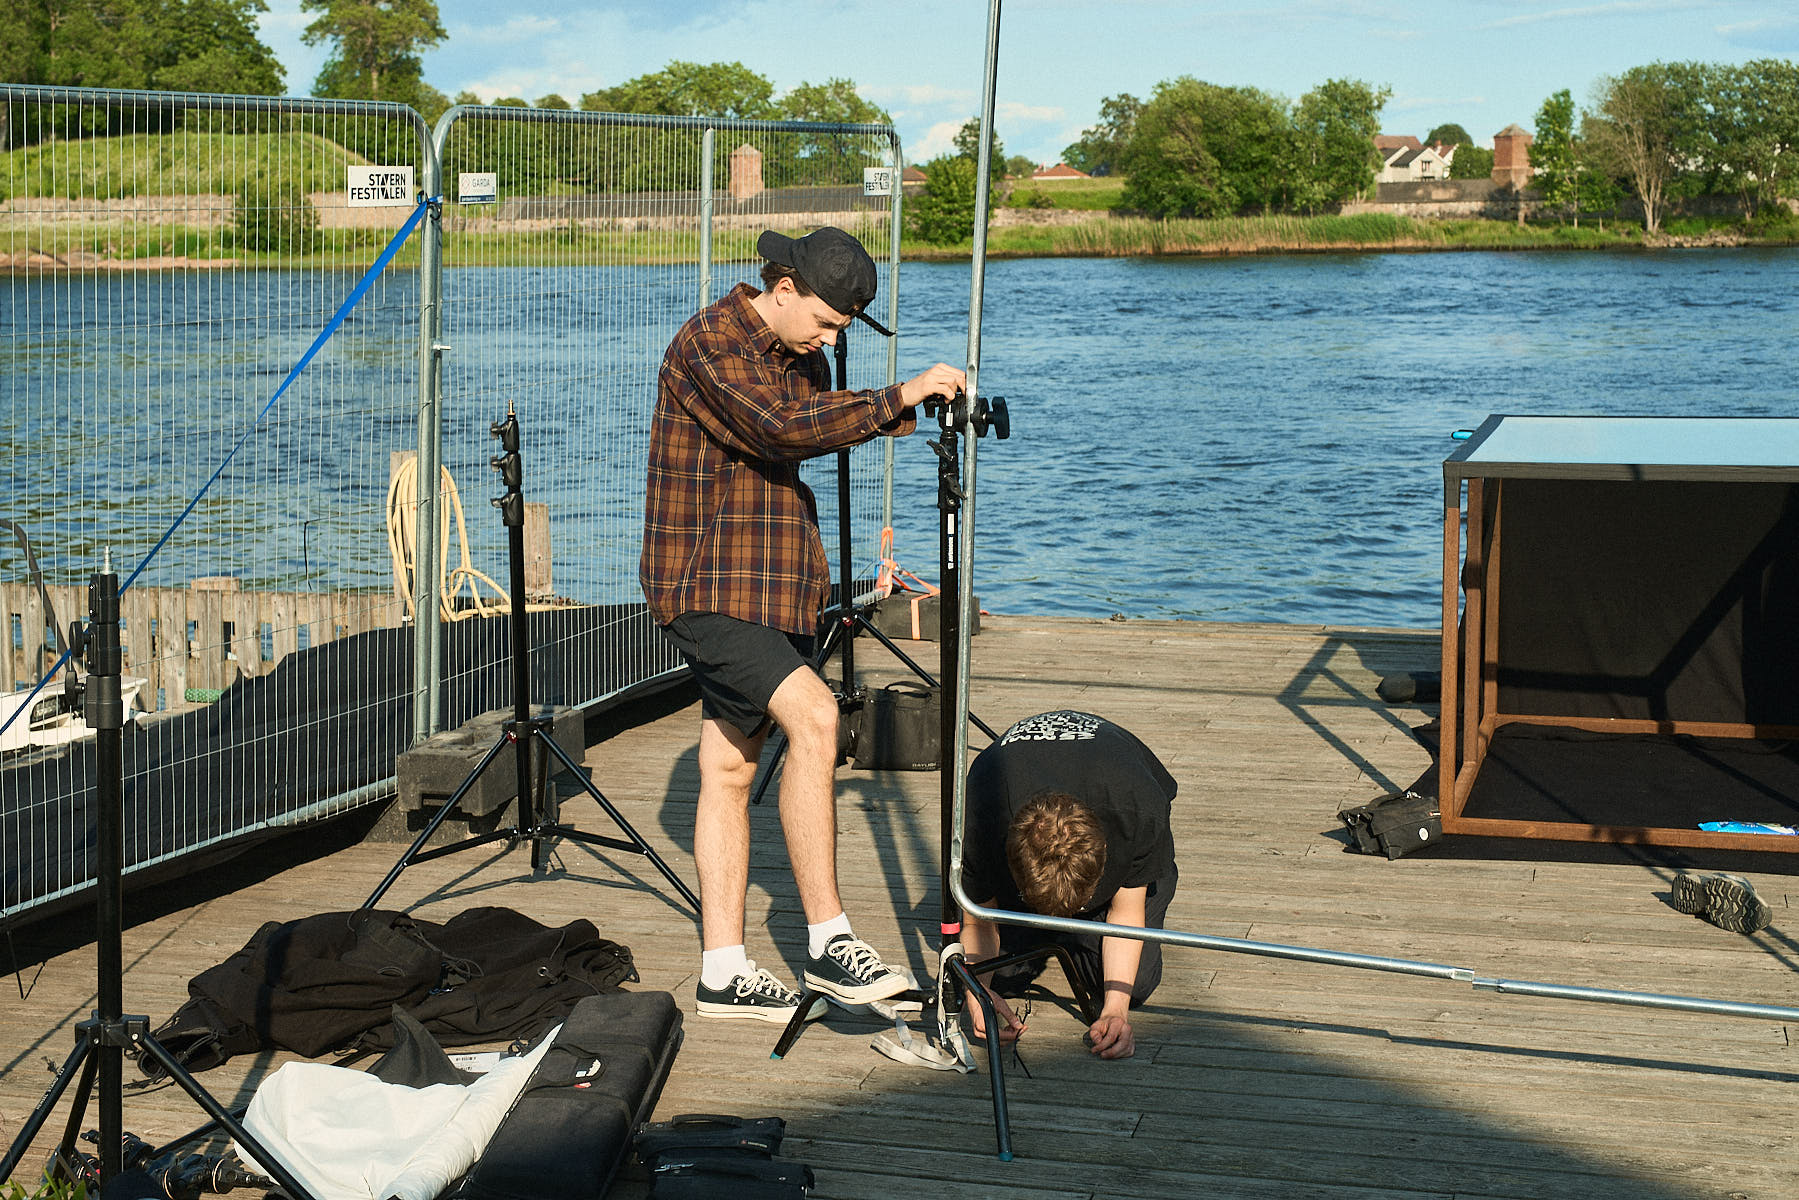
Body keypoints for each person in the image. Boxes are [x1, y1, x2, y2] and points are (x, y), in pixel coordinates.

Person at [640, 225, 967, 1023]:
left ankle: (723, 972)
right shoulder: (710, 342)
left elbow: (812, 416)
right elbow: (779, 427)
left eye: (839, 328)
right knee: (818, 720)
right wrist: (899, 394)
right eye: (822, 322)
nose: (828, 339)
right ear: (781, 289)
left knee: (728, 769)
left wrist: (912, 409)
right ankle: (829, 945)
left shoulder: (798, 355)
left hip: (776, 586)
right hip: (706, 584)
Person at [958, 710, 1179, 1059]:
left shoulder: (1136, 810)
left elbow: (1126, 910)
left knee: (1133, 986)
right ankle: (1057, 932)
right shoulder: (981, 811)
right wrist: (978, 993)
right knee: (998, 978)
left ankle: (1068, 931)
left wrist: (1116, 1011)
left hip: (1121, 799)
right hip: (1016, 857)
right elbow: (977, 921)